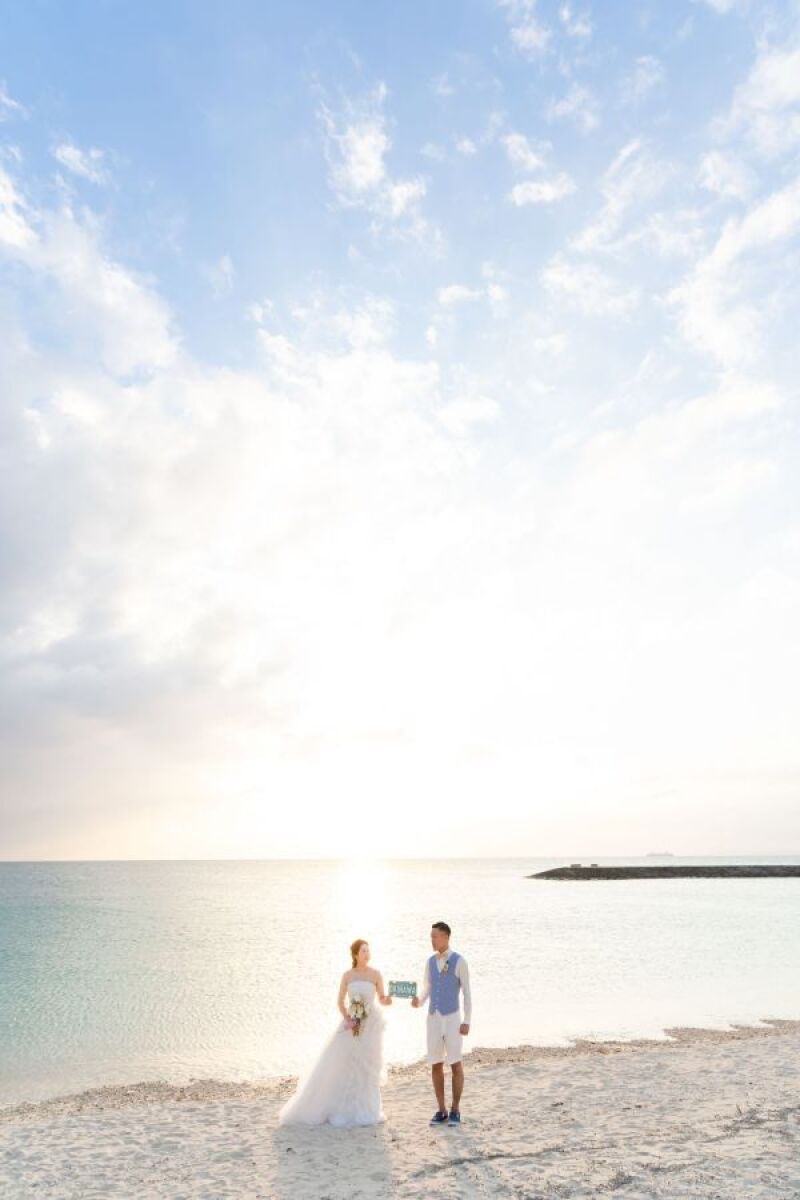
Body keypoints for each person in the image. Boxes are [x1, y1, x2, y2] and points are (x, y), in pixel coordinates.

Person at [277, 938, 392, 1127]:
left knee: (369, 1067)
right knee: (346, 1065)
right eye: (363, 951)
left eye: (368, 950)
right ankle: (345, 1106)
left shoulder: (376, 974)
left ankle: (368, 1108)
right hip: (352, 1022)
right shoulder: (347, 975)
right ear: (355, 954)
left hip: (371, 1025)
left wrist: (388, 999)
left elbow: (382, 998)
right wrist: (349, 1019)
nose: (367, 954)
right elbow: (340, 1002)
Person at [411, 920, 471, 1126]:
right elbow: (427, 988)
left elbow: (467, 993)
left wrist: (467, 1020)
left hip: (453, 1018)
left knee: (455, 1063)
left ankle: (455, 1109)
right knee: (435, 1064)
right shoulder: (430, 962)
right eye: (431, 936)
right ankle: (441, 1109)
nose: (432, 940)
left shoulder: (459, 961)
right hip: (433, 1019)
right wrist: (419, 1001)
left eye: (434, 936)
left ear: (445, 937)